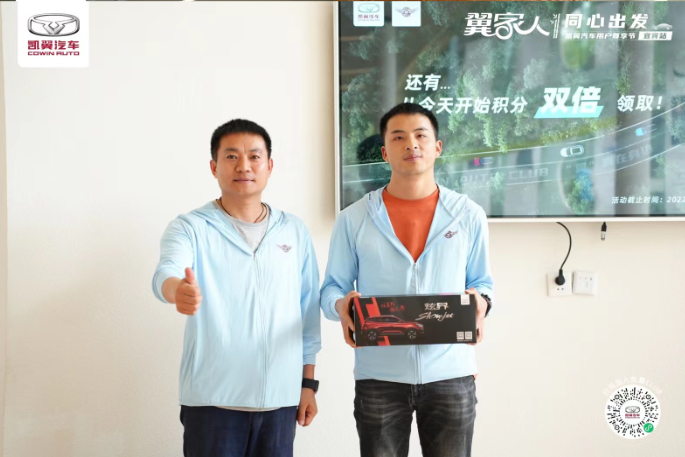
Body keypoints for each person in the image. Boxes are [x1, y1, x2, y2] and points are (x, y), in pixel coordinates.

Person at [321, 103, 494, 457]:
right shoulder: (354, 218)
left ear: (437, 147)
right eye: (398, 137)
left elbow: (484, 284)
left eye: (420, 135)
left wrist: (481, 303)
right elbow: (331, 289)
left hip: (451, 374)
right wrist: (342, 305)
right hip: (379, 377)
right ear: (385, 152)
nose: (411, 144)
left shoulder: (468, 215)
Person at [152, 119, 321, 457]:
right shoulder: (191, 227)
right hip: (212, 403)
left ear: (269, 166)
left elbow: (307, 313)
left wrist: (308, 384)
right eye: (231, 157)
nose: (244, 166)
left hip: (281, 401)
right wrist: (177, 290)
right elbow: (165, 274)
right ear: (214, 167)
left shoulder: (294, 231)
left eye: (254, 156)